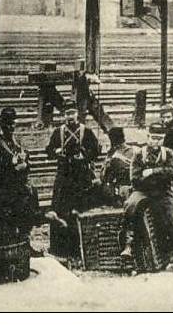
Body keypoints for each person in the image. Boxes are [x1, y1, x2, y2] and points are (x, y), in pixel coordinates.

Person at [120, 123, 173, 273]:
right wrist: (156, 177)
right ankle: (128, 245)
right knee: (130, 206)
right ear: (148, 137)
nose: (156, 142)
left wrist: (152, 171)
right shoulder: (139, 154)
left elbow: (172, 172)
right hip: (143, 191)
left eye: (159, 139)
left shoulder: (168, 153)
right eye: (153, 138)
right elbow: (135, 178)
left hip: (163, 191)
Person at [45, 99, 102, 256]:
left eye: (72, 113)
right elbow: (48, 151)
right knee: (59, 210)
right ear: (64, 115)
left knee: (80, 210)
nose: (70, 116)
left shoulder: (86, 131)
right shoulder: (59, 132)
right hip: (63, 175)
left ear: (77, 114)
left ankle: (80, 250)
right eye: (67, 114)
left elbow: (96, 151)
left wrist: (85, 155)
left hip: (81, 176)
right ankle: (60, 250)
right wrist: (55, 151)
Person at [0, 107, 43, 257]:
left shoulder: (13, 140)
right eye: (8, 125)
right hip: (6, 186)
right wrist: (15, 164)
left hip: (18, 185)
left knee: (29, 199)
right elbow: (0, 166)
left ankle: (24, 243)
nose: (11, 128)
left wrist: (24, 160)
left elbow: (23, 154)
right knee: (18, 212)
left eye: (13, 124)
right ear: (2, 125)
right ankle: (18, 245)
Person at [99, 127, 137, 207]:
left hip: (120, 189)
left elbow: (103, 176)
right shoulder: (133, 151)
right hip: (130, 188)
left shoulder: (113, 154)